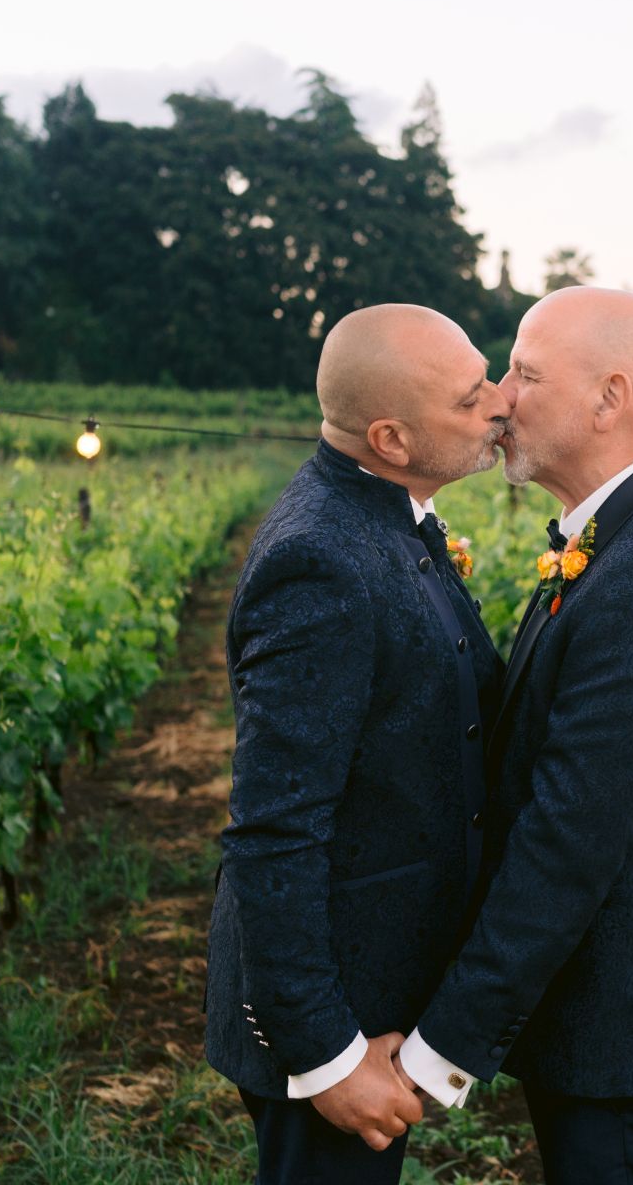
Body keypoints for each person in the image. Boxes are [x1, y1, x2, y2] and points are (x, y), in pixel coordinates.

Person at [394, 287, 633, 1185]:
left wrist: (440, 1049)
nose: (502, 395)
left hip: (631, 1018)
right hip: (614, 1010)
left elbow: (570, 838)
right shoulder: (623, 533)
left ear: (609, 397)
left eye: (526, 372)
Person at [204, 304, 509, 1183]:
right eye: (469, 398)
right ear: (391, 437)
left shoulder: (385, 513)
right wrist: (327, 1059)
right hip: (332, 1027)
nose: (499, 403)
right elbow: (274, 828)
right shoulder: (324, 562)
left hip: (373, 1001)